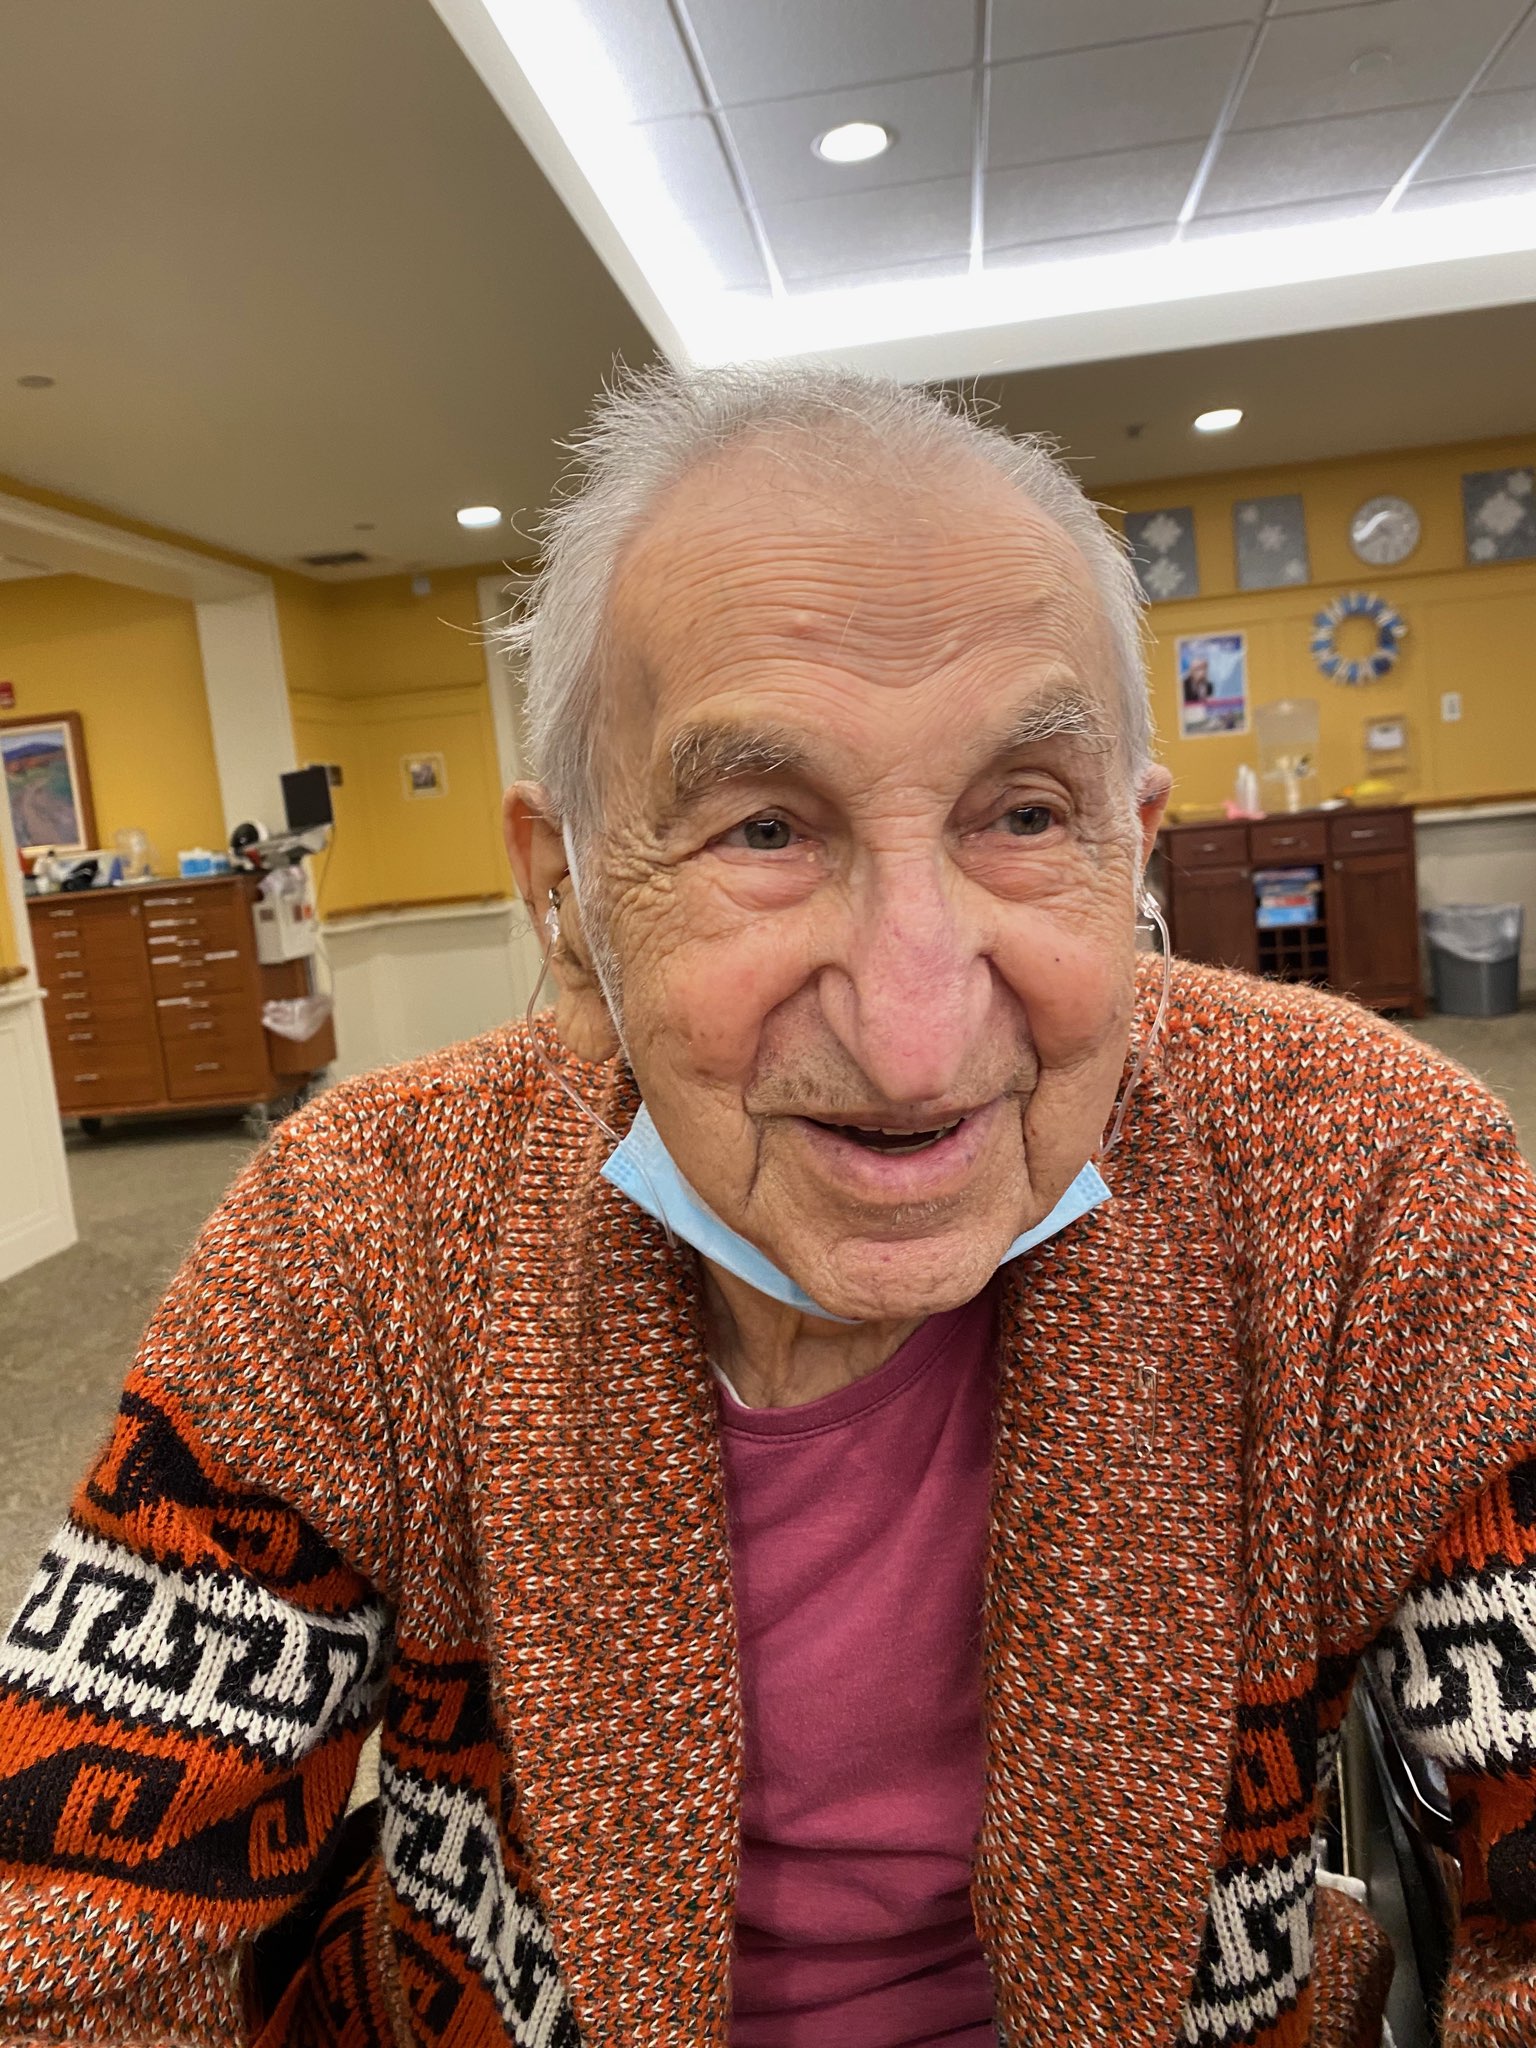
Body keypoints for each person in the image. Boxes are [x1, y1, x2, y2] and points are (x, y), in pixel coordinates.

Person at [2, 362, 1535, 2048]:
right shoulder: (365, 1233)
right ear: (568, 895)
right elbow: (62, 1936)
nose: (914, 1028)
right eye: (762, 827)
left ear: (1134, 845)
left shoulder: (1374, 1184)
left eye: (1024, 815)